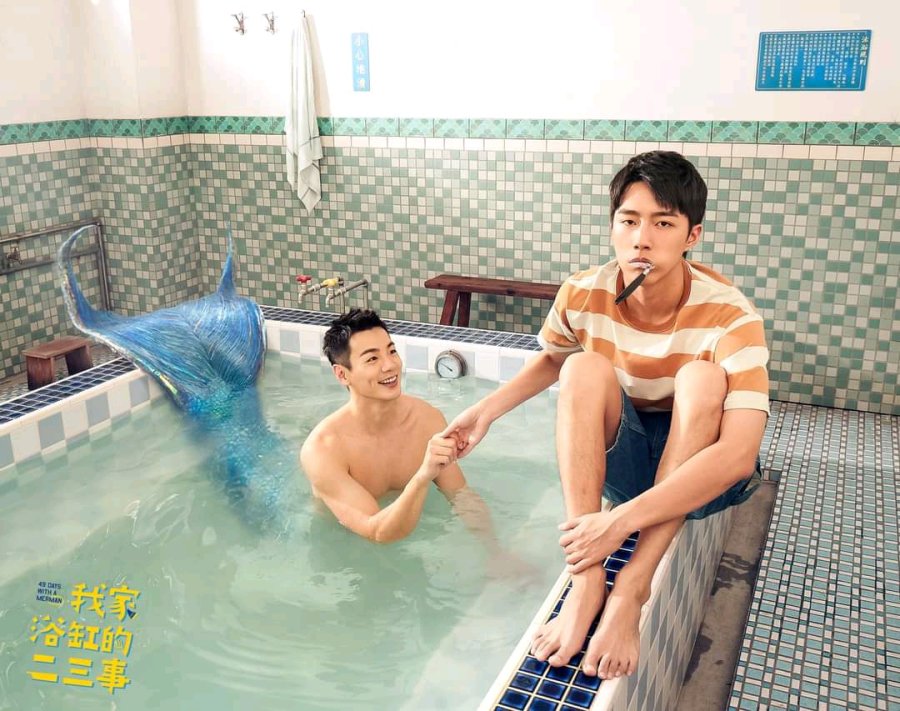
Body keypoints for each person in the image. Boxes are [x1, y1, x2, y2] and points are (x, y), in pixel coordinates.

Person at [442, 150, 769, 680]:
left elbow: (737, 457)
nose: (642, 240)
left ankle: (631, 590)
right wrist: (485, 412)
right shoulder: (583, 292)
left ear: (692, 235)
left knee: (703, 378)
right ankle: (587, 579)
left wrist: (616, 523)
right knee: (582, 367)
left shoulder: (731, 313)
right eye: (629, 221)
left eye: (663, 223)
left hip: (700, 477)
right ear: (613, 225)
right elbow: (553, 360)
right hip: (630, 463)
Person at [300, 309, 496, 545]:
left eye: (391, 351)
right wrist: (423, 476)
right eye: (372, 359)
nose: (390, 365)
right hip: (339, 543)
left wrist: (494, 551)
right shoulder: (323, 449)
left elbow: (461, 496)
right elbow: (377, 532)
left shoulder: (426, 420)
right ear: (342, 375)